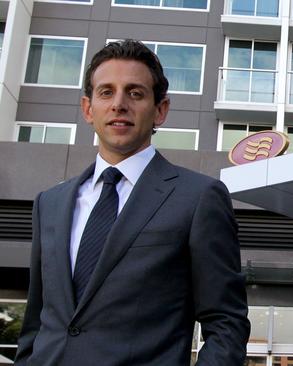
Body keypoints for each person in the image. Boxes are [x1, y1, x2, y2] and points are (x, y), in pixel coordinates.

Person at [15, 39, 250, 365]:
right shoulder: (49, 203)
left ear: (160, 110)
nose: (119, 104)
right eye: (106, 92)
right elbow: (37, 319)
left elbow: (226, 322)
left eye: (135, 93)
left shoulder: (198, 198)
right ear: (88, 108)